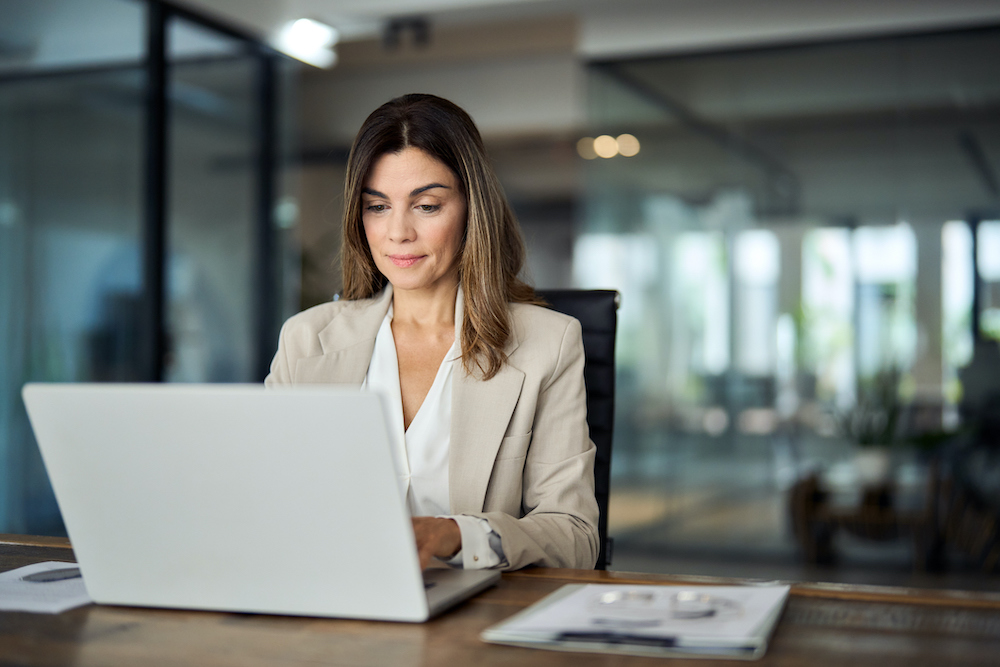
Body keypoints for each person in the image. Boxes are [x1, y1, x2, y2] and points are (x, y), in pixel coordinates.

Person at [265, 93, 598, 571]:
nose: (398, 232)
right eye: (378, 207)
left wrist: (457, 534)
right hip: (331, 607)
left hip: (471, 618)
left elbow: (575, 536)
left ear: (470, 209)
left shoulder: (548, 344)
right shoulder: (305, 341)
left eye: (425, 205)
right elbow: (263, 500)